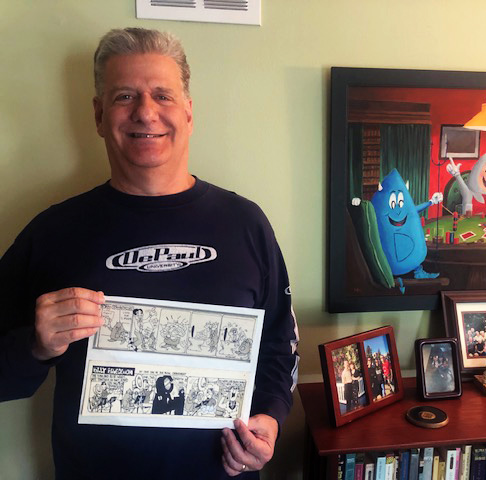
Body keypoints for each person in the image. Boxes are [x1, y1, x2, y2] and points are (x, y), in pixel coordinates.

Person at [0, 27, 299, 479]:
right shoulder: (53, 232)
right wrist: (35, 347)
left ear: (189, 112)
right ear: (99, 115)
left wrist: (272, 419)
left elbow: (280, 343)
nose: (145, 112)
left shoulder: (246, 225)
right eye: (124, 96)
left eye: (163, 95)